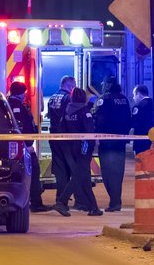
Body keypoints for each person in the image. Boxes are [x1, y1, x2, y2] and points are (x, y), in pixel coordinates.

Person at [53, 87, 102, 217]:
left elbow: (61, 129)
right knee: (79, 176)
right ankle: (61, 202)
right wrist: (91, 145)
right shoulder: (84, 112)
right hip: (83, 149)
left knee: (84, 177)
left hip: (69, 148)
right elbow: (89, 132)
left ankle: (93, 207)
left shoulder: (66, 111)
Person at [7, 80, 46, 212]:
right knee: (34, 171)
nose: (25, 95)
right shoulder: (16, 106)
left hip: (18, 146)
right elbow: (20, 126)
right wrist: (26, 144)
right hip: (24, 146)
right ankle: (36, 203)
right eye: (23, 92)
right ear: (20, 93)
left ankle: (30, 201)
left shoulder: (8, 103)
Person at [93, 81, 131, 212]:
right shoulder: (124, 99)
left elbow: (98, 118)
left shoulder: (104, 99)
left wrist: (96, 135)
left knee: (108, 173)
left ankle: (114, 202)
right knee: (118, 172)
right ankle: (116, 201)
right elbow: (128, 118)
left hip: (107, 141)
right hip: (121, 141)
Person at [131, 84, 154, 154]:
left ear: (138, 94)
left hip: (143, 145)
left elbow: (136, 126)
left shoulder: (139, 107)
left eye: (134, 95)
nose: (133, 98)